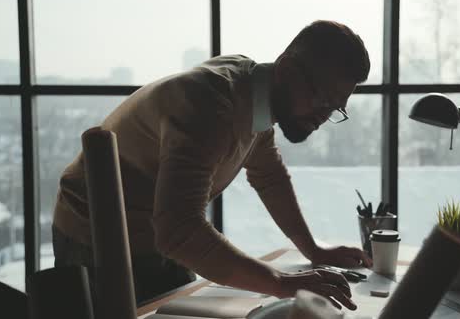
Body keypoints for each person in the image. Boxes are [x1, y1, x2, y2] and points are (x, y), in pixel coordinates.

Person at [52, 20, 371, 310]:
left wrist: (313, 250)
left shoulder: (255, 94)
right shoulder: (210, 106)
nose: (324, 113)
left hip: (156, 233)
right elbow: (178, 231)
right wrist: (280, 283)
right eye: (322, 97)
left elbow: (269, 176)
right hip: (92, 235)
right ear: (287, 70)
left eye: (336, 107)